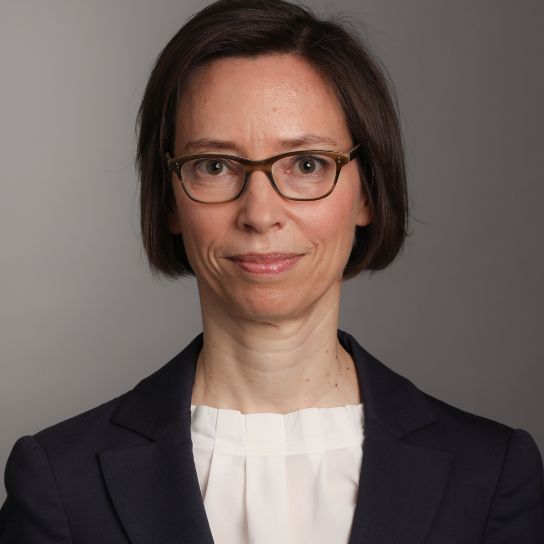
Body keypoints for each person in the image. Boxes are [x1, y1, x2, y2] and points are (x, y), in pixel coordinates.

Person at [1, 0, 543, 542]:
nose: (260, 214)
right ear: (169, 201)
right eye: (214, 165)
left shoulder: (492, 476)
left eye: (307, 164)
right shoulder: (58, 482)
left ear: (367, 193)